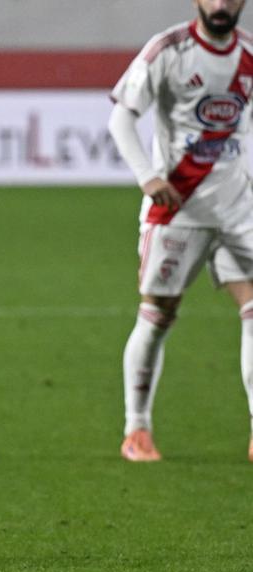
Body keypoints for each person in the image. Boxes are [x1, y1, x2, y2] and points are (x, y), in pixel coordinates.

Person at [109, 0, 253, 462]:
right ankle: (138, 428)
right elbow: (121, 117)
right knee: (158, 314)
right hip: (179, 209)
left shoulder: (249, 54)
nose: (221, 4)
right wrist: (149, 177)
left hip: (237, 210)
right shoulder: (168, 50)